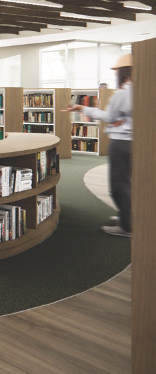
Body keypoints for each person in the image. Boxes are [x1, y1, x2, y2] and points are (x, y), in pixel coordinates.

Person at [65, 54, 133, 238]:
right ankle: (128, 218)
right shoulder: (143, 90)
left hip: (121, 143)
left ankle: (127, 227)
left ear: (123, 72)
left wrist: (81, 108)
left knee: (118, 186)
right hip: (136, 142)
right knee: (129, 183)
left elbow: (109, 117)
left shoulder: (124, 92)